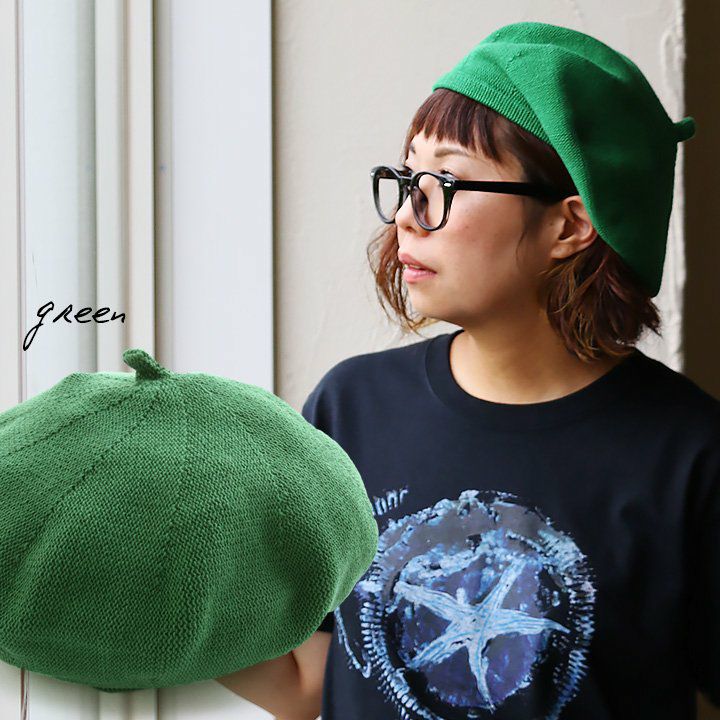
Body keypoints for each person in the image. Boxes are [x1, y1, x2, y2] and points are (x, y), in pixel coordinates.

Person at [293, 20, 718, 720]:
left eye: (445, 181)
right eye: (409, 177)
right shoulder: (352, 408)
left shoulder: (689, 453)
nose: (407, 216)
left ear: (569, 226)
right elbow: (308, 682)